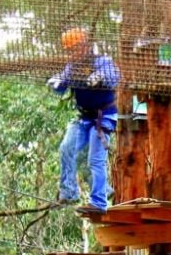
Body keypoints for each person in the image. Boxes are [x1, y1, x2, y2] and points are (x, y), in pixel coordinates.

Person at [47, 27, 121, 214]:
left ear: (86, 46)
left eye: (76, 48)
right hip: (84, 118)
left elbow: (114, 77)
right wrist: (55, 83)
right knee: (67, 148)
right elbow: (62, 85)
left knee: (95, 159)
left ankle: (99, 203)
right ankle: (69, 192)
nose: (73, 53)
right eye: (70, 50)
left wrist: (101, 77)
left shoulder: (102, 62)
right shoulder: (72, 68)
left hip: (103, 117)